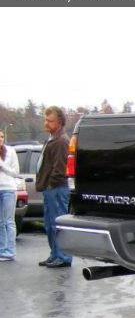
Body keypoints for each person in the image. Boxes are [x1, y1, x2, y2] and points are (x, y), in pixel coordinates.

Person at [36, 106, 72, 268]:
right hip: (50, 188)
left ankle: (63, 256)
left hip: (57, 188)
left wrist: (50, 184)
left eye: (50, 121)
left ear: (59, 122)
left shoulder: (61, 140)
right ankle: (54, 254)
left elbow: (60, 168)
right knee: (50, 224)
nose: (46, 124)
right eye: (45, 120)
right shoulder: (52, 138)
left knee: (59, 224)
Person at [0, 130, 22, 261]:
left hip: (9, 189)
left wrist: (2, 165)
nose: (0, 139)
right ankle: (2, 249)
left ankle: (10, 251)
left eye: (2, 136)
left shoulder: (10, 151)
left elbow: (16, 172)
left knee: (9, 221)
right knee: (0, 222)